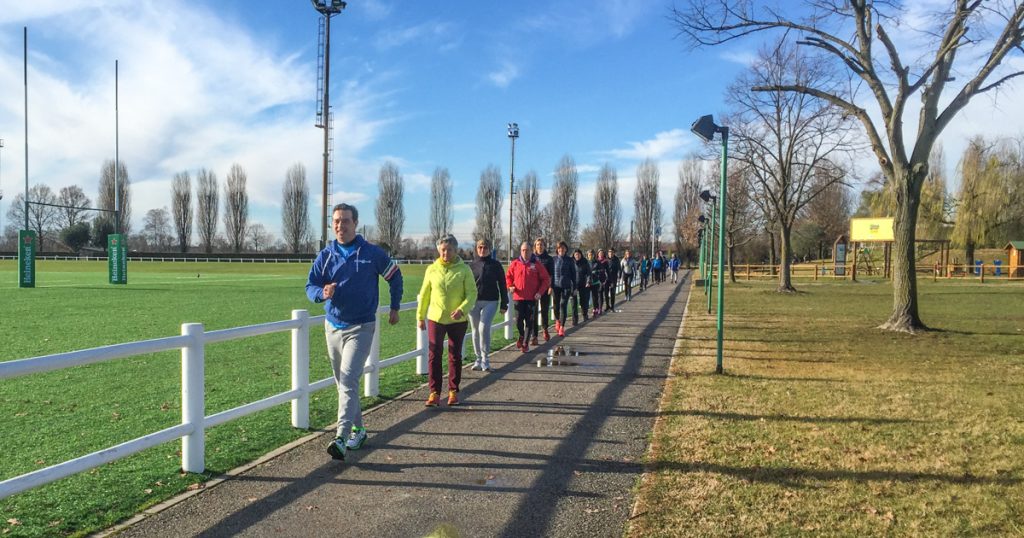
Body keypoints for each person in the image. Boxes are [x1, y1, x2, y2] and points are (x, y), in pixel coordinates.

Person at [306, 203, 403, 462]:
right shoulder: (325, 255)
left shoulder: (371, 253)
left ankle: (340, 437)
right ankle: (359, 430)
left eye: (345, 221)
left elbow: (395, 276)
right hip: (333, 326)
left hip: (362, 326)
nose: (340, 225)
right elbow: (311, 285)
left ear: (355, 223)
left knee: (348, 379)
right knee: (344, 384)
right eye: (336, 221)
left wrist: (395, 306)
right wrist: (321, 293)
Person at [417, 234, 477, 407]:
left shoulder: (464, 270)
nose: (446, 253)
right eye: (443, 250)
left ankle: (453, 391)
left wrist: (462, 309)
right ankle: (434, 392)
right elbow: (425, 294)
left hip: (457, 320)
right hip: (436, 318)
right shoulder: (432, 269)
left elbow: (472, 293)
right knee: (434, 354)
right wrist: (420, 316)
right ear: (438, 250)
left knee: (455, 355)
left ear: (455, 250)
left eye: (449, 250)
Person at [468, 238, 508, 372]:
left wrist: (504, 303)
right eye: (479, 247)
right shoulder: (471, 266)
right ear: (476, 248)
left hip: (491, 300)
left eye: (485, 247)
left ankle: (486, 359)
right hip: (474, 302)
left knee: (483, 328)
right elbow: (465, 285)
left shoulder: (496, 265)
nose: (482, 250)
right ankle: (478, 359)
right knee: (474, 330)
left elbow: (502, 284)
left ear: (489, 249)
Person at [506, 241, 551, 353]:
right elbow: (508, 277)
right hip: (518, 297)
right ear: (520, 251)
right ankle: (521, 335)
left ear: (531, 251)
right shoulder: (515, 263)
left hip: (532, 298)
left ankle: (525, 343)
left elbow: (546, 279)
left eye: (527, 250)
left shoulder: (536, 264)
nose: (525, 252)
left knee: (529, 321)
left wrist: (540, 292)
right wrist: (510, 286)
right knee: (518, 320)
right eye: (523, 250)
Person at [550, 241, 577, 337]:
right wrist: (550, 286)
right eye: (559, 248)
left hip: (566, 286)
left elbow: (574, 274)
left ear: (566, 249)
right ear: (557, 249)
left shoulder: (570, 260)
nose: (561, 250)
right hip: (555, 286)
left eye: (563, 248)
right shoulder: (553, 260)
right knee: (556, 306)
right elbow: (551, 274)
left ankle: (562, 327)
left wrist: (574, 288)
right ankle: (557, 320)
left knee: (563, 305)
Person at [532, 238, 555, 344]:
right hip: (534, 289)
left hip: (545, 288)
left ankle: (545, 329)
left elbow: (551, 275)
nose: (539, 246)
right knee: (534, 312)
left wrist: (550, 287)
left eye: (541, 244)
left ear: (544, 246)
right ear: (535, 246)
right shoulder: (532, 258)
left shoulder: (549, 259)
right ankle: (534, 336)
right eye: (537, 244)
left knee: (545, 310)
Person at [571, 248, 591, 325]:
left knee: (583, 301)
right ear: (574, 255)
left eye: (578, 254)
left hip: (583, 283)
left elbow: (589, 273)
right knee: (573, 303)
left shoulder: (585, 262)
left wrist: (588, 281)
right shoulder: (571, 262)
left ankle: (585, 314)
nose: (577, 256)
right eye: (576, 254)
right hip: (573, 284)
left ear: (581, 255)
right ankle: (574, 319)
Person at [591, 249, 610, 317]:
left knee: (600, 293)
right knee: (596, 295)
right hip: (595, 280)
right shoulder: (595, 261)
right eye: (599, 253)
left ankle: (600, 308)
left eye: (602, 253)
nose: (601, 254)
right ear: (597, 254)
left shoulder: (605, 261)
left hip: (602, 279)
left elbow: (607, 271)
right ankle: (596, 308)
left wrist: (607, 279)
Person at [605, 248, 621, 313]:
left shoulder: (616, 259)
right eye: (609, 252)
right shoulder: (605, 259)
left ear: (614, 253)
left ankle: (612, 306)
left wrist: (619, 276)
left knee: (612, 293)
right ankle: (607, 306)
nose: (610, 253)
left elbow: (619, 268)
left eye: (611, 252)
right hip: (606, 278)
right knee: (605, 293)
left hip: (613, 278)